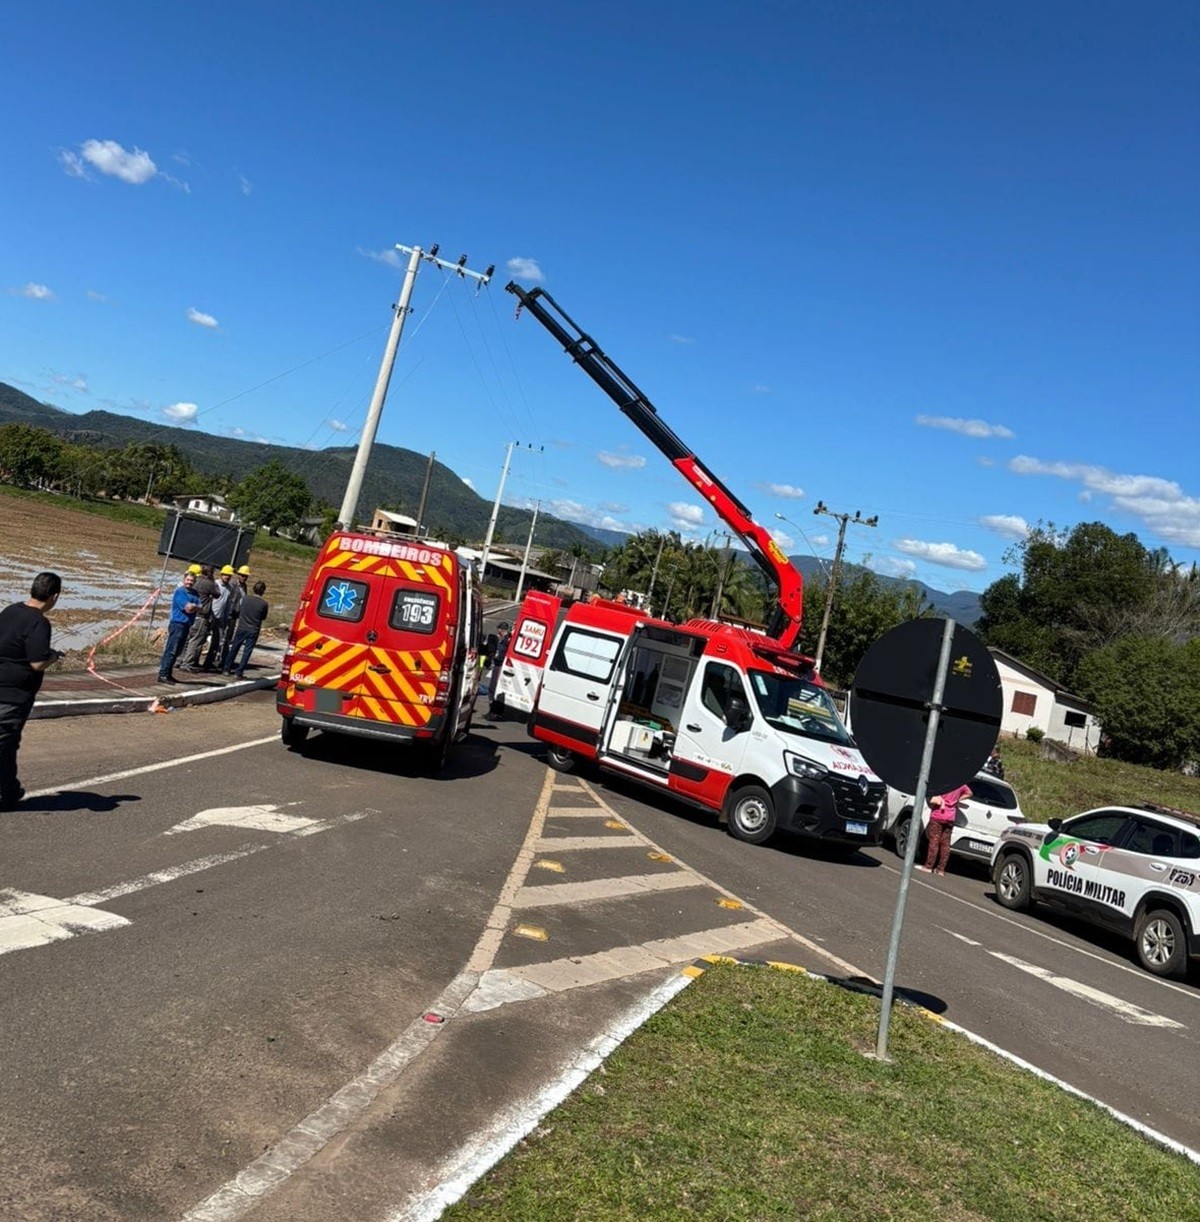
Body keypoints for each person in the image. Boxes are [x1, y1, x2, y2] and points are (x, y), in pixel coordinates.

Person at [0, 572, 63, 811]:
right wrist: (53, 657)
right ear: (54, 597)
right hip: (13, 696)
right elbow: (37, 662)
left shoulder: (10, 610)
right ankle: (6, 794)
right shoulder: (39, 622)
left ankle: (9, 790)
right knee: (5, 745)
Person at [918, 781, 972, 876]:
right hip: (950, 816)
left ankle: (928, 866)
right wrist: (958, 799)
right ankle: (941, 869)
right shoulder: (960, 784)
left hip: (938, 814)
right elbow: (970, 793)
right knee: (945, 844)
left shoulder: (944, 783)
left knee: (934, 842)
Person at [157, 571, 199, 684]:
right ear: (184, 580)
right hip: (177, 624)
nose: (189, 582)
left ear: (195, 582)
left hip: (187, 625)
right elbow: (188, 608)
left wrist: (194, 606)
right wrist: (194, 607)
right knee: (171, 650)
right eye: (188, 580)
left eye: (192, 580)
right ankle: (163, 674)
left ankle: (169, 674)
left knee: (178, 651)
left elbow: (202, 608)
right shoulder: (180, 592)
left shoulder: (195, 593)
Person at [224, 581, 268, 678]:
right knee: (247, 651)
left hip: (242, 627)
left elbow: (239, 609)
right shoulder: (264, 604)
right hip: (253, 629)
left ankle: (226, 668)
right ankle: (239, 672)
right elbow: (263, 617)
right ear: (263, 591)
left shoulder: (244, 599)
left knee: (234, 648)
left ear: (253, 589)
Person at [178, 564, 217, 671]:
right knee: (196, 640)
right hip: (201, 616)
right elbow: (217, 594)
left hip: (189, 615)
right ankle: (187, 663)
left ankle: (179, 660)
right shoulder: (209, 583)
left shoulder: (190, 584)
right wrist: (212, 580)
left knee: (186, 638)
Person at [202, 565, 235, 672]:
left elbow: (228, 604)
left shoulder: (230, 588)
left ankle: (208, 662)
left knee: (216, 641)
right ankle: (194, 661)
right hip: (211, 615)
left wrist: (226, 619)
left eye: (229, 575)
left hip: (221, 618)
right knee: (201, 639)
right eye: (225, 575)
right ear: (221, 574)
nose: (227, 577)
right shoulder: (215, 584)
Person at [487, 621, 511, 717]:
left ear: (501, 629)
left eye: (499, 629)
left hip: (500, 666)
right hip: (497, 664)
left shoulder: (506, 640)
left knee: (494, 688)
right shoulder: (502, 639)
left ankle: (494, 712)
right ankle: (492, 710)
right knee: (492, 689)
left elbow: (503, 650)